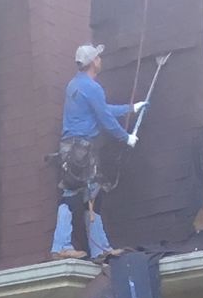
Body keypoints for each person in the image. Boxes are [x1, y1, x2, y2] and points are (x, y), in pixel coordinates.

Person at [51, 43, 145, 260]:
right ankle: (62, 245)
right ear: (93, 62)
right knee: (74, 195)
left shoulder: (75, 85)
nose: (100, 60)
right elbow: (104, 119)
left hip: (73, 150)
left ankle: (98, 249)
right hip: (81, 150)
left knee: (90, 196)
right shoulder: (92, 88)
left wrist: (131, 108)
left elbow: (102, 109)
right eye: (98, 58)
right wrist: (126, 138)